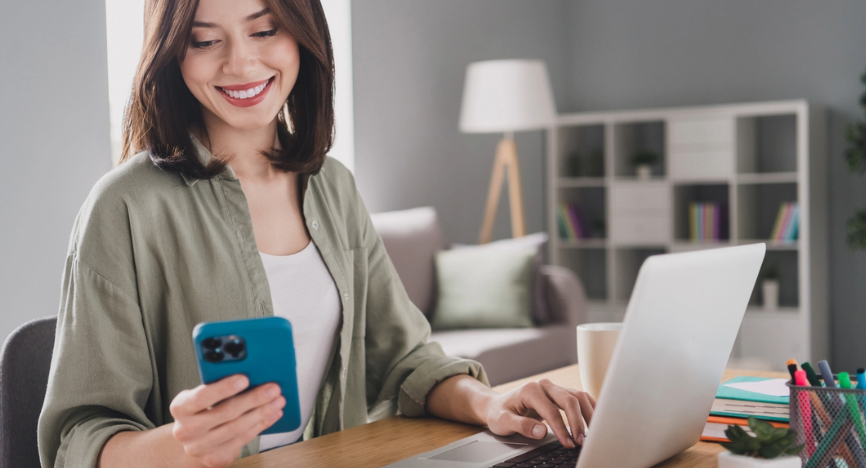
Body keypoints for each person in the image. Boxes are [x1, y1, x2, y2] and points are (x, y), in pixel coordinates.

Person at [37, 0, 595, 467]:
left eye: (264, 29)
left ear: (302, 34)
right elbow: (78, 437)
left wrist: (491, 403)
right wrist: (179, 446)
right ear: (172, 55)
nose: (241, 62)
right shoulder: (125, 207)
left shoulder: (331, 186)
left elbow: (406, 360)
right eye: (206, 41)